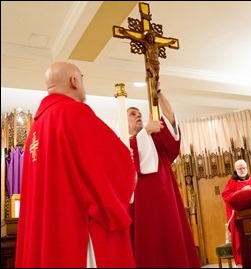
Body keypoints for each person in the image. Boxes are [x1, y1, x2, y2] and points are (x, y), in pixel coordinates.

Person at [15, 62, 136, 268]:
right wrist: (125, 159)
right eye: (82, 78)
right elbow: (109, 169)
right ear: (74, 81)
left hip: (50, 234)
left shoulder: (35, 129)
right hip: (77, 230)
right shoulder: (74, 113)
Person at [127, 88, 201, 267]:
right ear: (124, 121)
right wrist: (145, 130)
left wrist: (157, 91)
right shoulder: (123, 145)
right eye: (132, 114)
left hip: (168, 202)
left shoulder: (156, 140)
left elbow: (170, 119)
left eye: (139, 113)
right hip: (142, 207)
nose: (138, 115)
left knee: (172, 242)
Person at [221, 159, 251, 266]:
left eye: (244, 168)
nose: (242, 170)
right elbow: (226, 196)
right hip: (241, 220)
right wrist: (241, 192)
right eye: (240, 168)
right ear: (235, 170)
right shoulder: (231, 183)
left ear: (247, 168)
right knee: (245, 245)